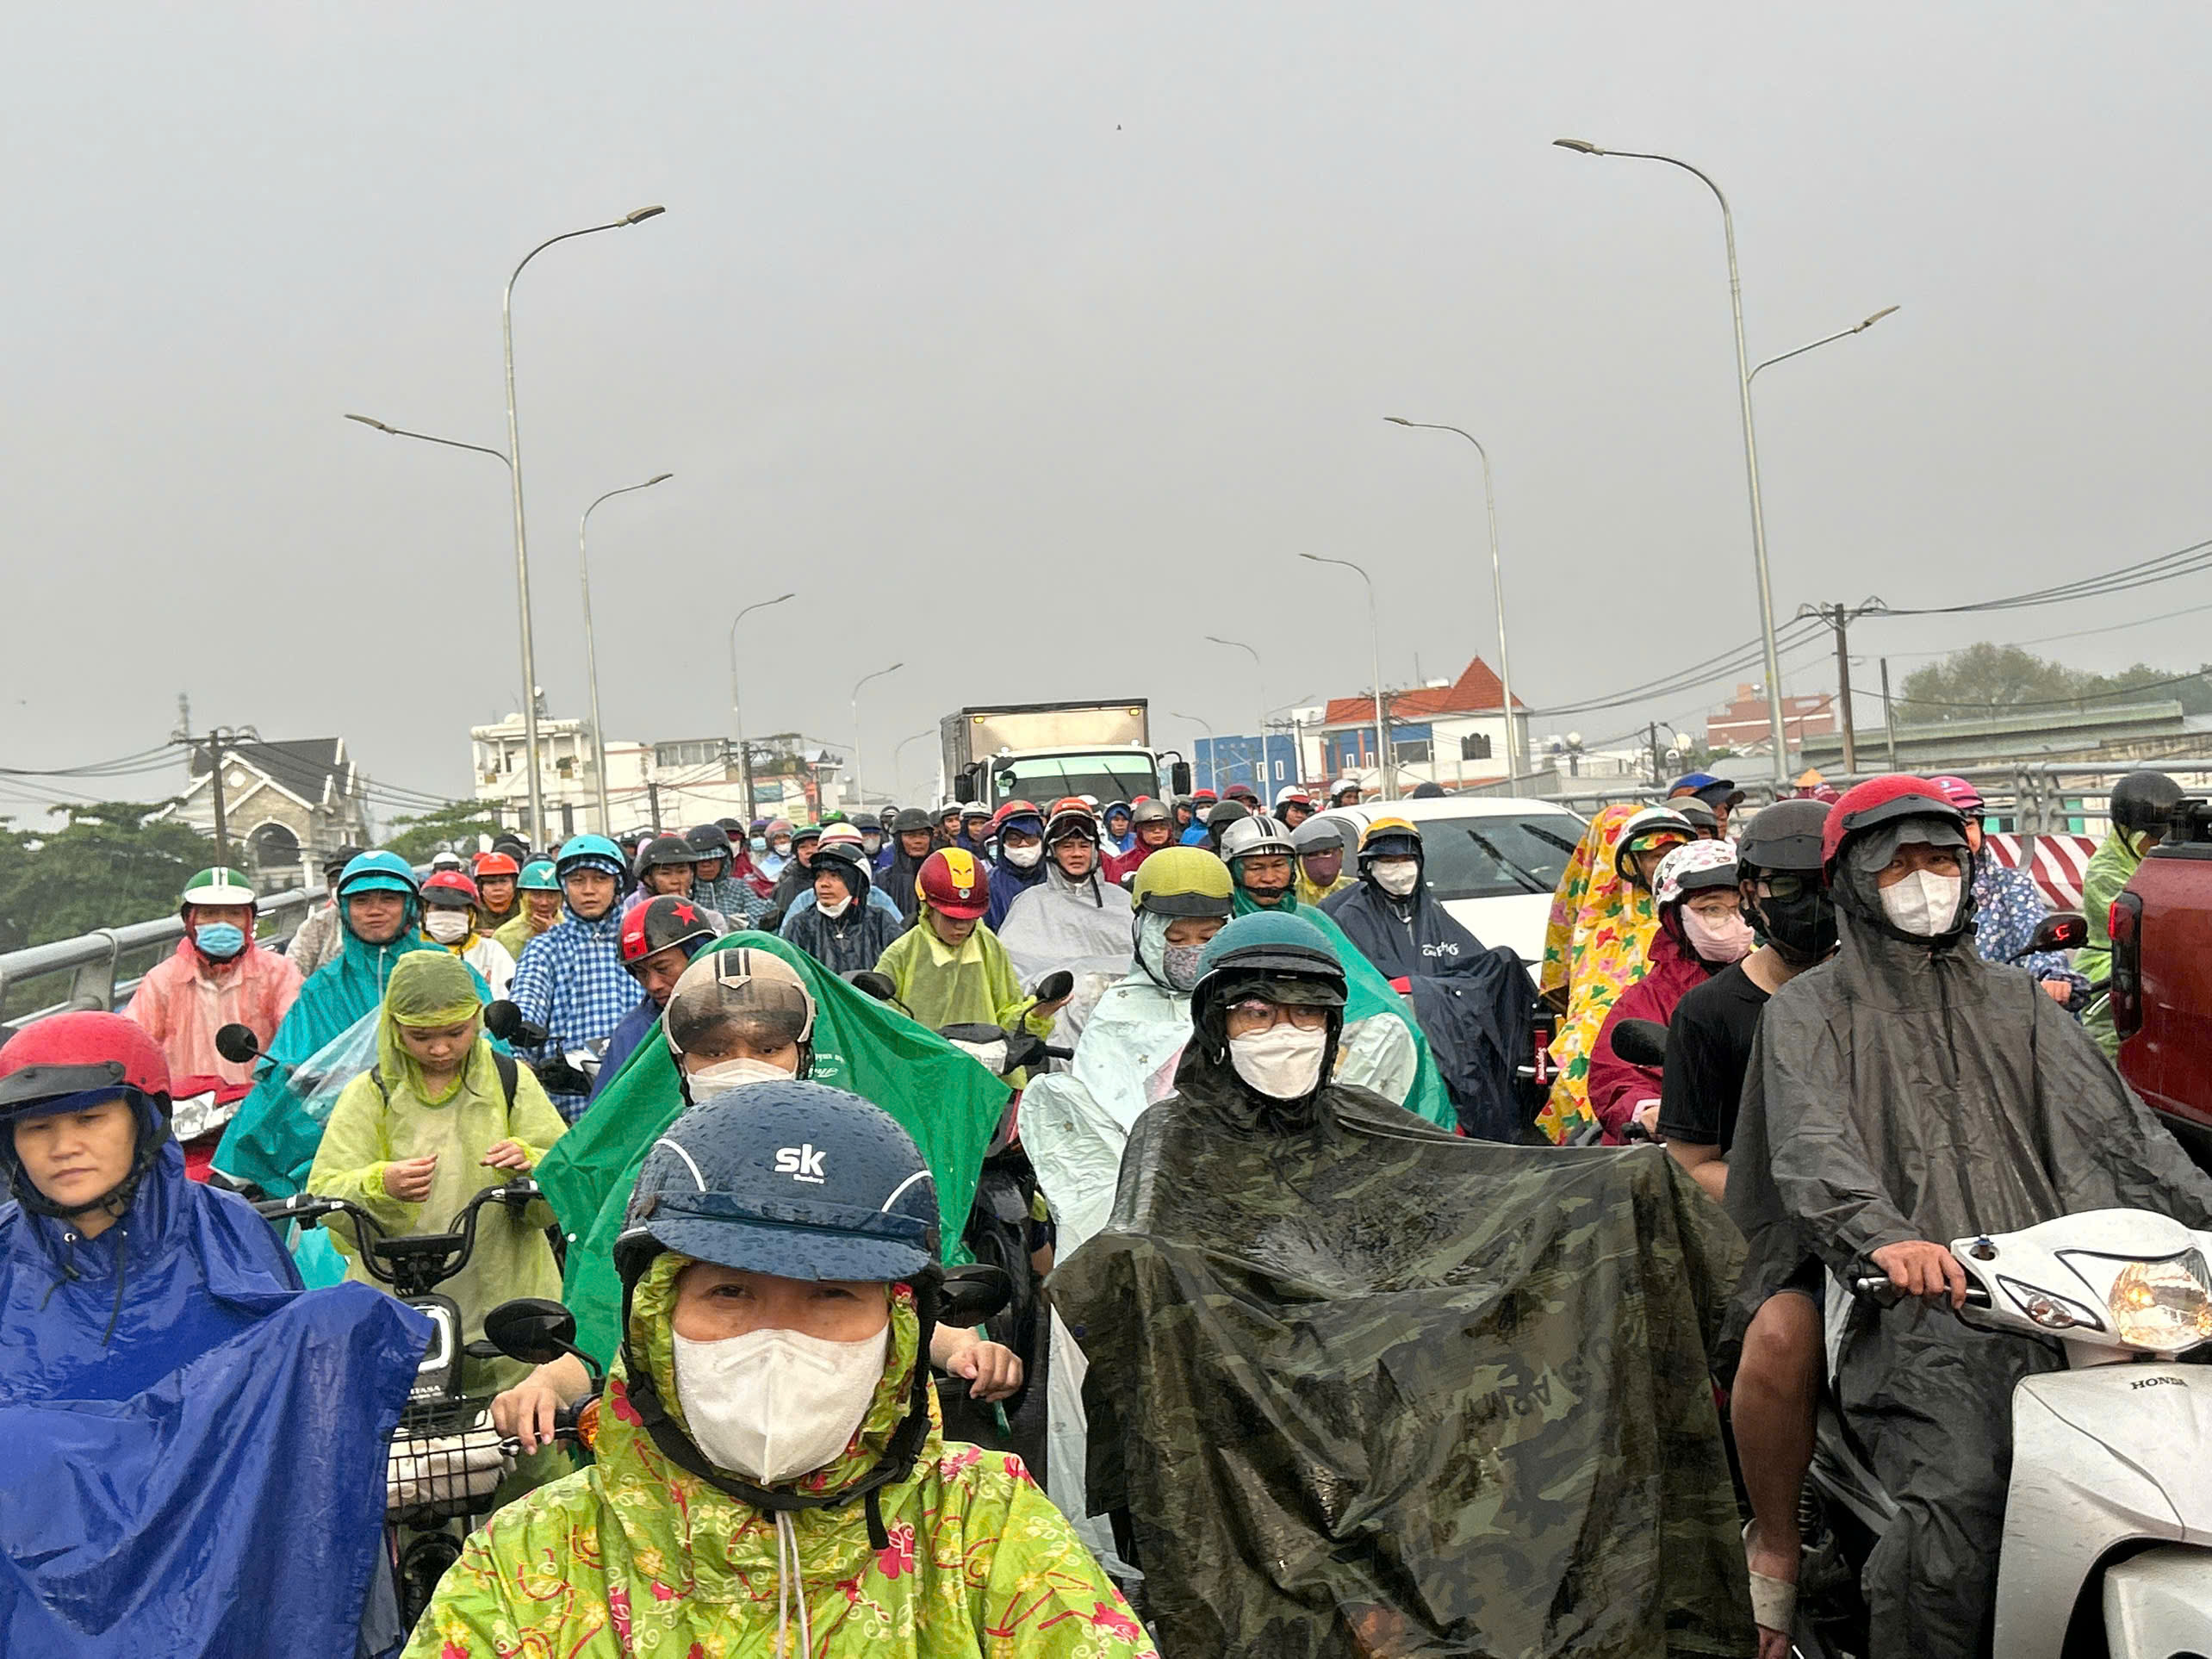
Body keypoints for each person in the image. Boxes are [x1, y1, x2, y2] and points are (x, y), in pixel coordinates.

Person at [1051, 914, 1748, 1657]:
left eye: (1305, 1013)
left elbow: (1477, 1191)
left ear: (1333, 1024)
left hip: (1395, 1383)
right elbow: (1150, 1260)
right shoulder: (1176, 1135)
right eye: (1257, 1012)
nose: (1283, 1032)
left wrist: (1618, 1181)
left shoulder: (1358, 1118)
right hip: (1260, 1404)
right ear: (1216, 1023)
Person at [1725, 776, 2212, 1659]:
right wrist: (1885, 1239)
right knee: (1963, 1493)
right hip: (1911, 1305)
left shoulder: (2018, 1000)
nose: (1926, 879)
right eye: (1901, 863)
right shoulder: (1807, 1012)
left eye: (1942, 859)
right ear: (1853, 882)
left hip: (2074, 1293)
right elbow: (1814, 1148)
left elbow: (2123, 1137)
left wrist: (2201, 1218)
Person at [413, 1084, 1153, 1658]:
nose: (777, 1341)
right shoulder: (530, 1563)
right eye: (730, 1292)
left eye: (832, 1296)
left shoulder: (981, 1530)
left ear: (899, 1333)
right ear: (653, 1322)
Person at [0, 1013, 430, 1657]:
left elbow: (303, 1420)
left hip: (225, 1573)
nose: (64, 1147)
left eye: (90, 1120)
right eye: (38, 1127)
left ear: (145, 1121)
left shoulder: (229, 1231)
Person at [509, 945, 1029, 1437]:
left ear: (804, 1052)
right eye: (713, 1050)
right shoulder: (660, 1171)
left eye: (767, 1048)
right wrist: (545, 1383)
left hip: (853, 1436)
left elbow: (900, 1293)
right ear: (679, 1061)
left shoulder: (859, 1159)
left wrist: (965, 1349)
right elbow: (610, 1318)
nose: (741, 1064)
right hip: (688, 1448)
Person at [1646, 799, 1833, 1657]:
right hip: (1776, 1241)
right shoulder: (1714, 1016)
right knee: (1780, 1337)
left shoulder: (1886, 1000)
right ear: (1754, 893)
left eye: (1826, 886)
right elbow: (1692, 1158)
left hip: (1908, 1230)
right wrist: (1796, 1211)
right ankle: (1776, 1542)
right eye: (1790, 888)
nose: (1813, 905)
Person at [308, 950, 568, 1410]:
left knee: (526, 1435)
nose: (441, 1048)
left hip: (508, 1300)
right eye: (421, 1036)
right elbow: (326, 1191)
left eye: (456, 1032)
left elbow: (567, 1176)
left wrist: (528, 1165)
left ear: (477, 1020)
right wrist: (380, 1183)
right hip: (401, 1305)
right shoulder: (371, 1094)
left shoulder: (511, 1081)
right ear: (393, 1028)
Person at [1324, 817, 1533, 1141]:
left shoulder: (1429, 909)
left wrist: (1438, 992)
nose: (1399, 870)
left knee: (1502, 960)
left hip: (1448, 1026)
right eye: (1388, 861)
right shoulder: (1350, 914)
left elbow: (1462, 961)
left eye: (1406, 860)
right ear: (1369, 865)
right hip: (1392, 1033)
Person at [1538, 804, 1695, 1140]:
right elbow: (1589, 999)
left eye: (1673, 852)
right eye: (1654, 856)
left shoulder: (1701, 912)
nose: (1663, 863)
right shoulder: (1599, 926)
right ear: (1632, 862)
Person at [1585, 840, 1750, 1143]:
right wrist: (1647, 1110)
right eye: (1712, 908)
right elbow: (1615, 1077)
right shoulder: (1646, 999)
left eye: (1739, 906)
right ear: (1674, 916)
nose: (1731, 920)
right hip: (1683, 1147)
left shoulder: (1773, 977)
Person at [124, 866, 302, 1093]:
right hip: (185, 1110)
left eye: (234, 914)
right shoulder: (163, 980)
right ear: (189, 921)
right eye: (209, 914)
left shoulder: (279, 973)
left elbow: (298, 1033)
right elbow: (134, 1042)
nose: (222, 923)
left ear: (249, 921)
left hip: (259, 1105)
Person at [1923, 775, 2089, 1010]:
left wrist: (2052, 977)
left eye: (1968, 824)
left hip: (2005, 1017)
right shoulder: (1913, 896)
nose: (1960, 836)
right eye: (1947, 828)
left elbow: (2034, 931)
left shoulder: (2010, 887)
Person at [507, 834, 637, 1123]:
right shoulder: (545, 947)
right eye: (578, 881)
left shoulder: (637, 939)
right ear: (564, 887)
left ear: (617, 883)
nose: (588, 890)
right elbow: (528, 1004)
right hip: (569, 1104)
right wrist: (519, 1037)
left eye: (600, 879)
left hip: (639, 1091)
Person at [874, 847, 1068, 1038]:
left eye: (970, 918)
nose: (961, 927)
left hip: (985, 1064)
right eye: (950, 918)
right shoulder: (901, 953)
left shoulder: (988, 945)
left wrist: (1035, 1015)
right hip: (922, 1065)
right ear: (927, 908)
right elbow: (881, 1022)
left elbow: (1008, 1012)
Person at [997, 798, 1134, 1027]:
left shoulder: (1121, 901)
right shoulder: (1029, 903)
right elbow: (1012, 974)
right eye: (1066, 846)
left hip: (1120, 1016)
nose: (1077, 854)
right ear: (1052, 851)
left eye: (1084, 846)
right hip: (1056, 1021)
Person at [2078, 767, 2183, 1055]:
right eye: (2152, 836)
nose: (2160, 843)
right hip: (2112, 967)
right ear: (2126, 833)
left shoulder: (2164, 858)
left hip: (2154, 964)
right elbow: (2140, 929)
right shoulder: (2106, 872)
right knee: (2115, 1057)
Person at [592, 893, 721, 1103]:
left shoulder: (744, 1011)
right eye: (641, 973)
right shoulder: (631, 1035)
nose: (653, 985)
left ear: (698, 955)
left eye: (663, 968)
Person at [780, 838, 903, 973]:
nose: (824, 884)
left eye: (834, 876)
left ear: (856, 883)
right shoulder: (800, 925)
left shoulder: (880, 921)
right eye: (819, 876)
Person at [419, 867, 519, 999]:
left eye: (456, 909)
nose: (448, 915)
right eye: (440, 908)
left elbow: (509, 997)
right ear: (425, 912)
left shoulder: (491, 951)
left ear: (472, 916)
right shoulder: (411, 948)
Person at [284, 842, 363, 978]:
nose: (341, 886)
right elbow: (291, 974)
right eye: (335, 881)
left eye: (348, 879)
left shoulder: (387, 920)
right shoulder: (317, 925)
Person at [687, 822, 766, 929]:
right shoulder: (685, 893)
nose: (706, 866)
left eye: (713, 859)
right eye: (700, 861)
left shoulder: (740, 888)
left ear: (724, 861)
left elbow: (759, 920)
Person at [983, 799, 1048, 928]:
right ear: (1002, 842)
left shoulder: (1056, 877)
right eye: (1014, 838)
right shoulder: (989, 885)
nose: (1023, 844)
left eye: (1030, 837)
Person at [493, 857, 563, 961]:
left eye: (552, 896)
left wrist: (555, 936)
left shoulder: (576, 931)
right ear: (522, 895)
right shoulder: (503, 936)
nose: (544, 902)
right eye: (536, 895)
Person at [878, 805, 938, 923]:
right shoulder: (884, 879)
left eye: (923, 834)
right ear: (899, 840)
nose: (918, 841)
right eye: (910, 836)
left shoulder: (942, 875)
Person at [761, 822, 824, 928]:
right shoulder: (789, 882)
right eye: (803, 847)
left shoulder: (840, 873)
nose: (809, 851)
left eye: (814, 845)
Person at [1290, 811, 1356, 907]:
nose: (1321, 864)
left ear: (1340, 854)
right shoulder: (1291, 896)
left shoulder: (1356, 890)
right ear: (1299, 860)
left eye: (1327, 853)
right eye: (1312, 854)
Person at [1104, 796, 1175, 884]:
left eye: (1163, 826)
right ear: (1140, 831)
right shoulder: (1123, 863)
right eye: (1150, 827)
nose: (1157, 831)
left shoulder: (1182, 855)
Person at [1668, 770, 1747, 836]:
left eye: (1726, 808)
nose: (1724, 816)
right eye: (1713, 806)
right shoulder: (1668, 853)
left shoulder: (1735, 850)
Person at [472, 849, 524, 935]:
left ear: (515, 884)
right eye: (490, 883)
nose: (498, 888)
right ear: (480, 887)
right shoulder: (471, 910)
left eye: (503, 882)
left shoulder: (525, 907)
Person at [756, 817, 798, 884]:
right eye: (777, 838)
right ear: (771, 842)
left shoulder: (800, 860)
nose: (783, 840)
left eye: (786, 836)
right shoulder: (764, 867)